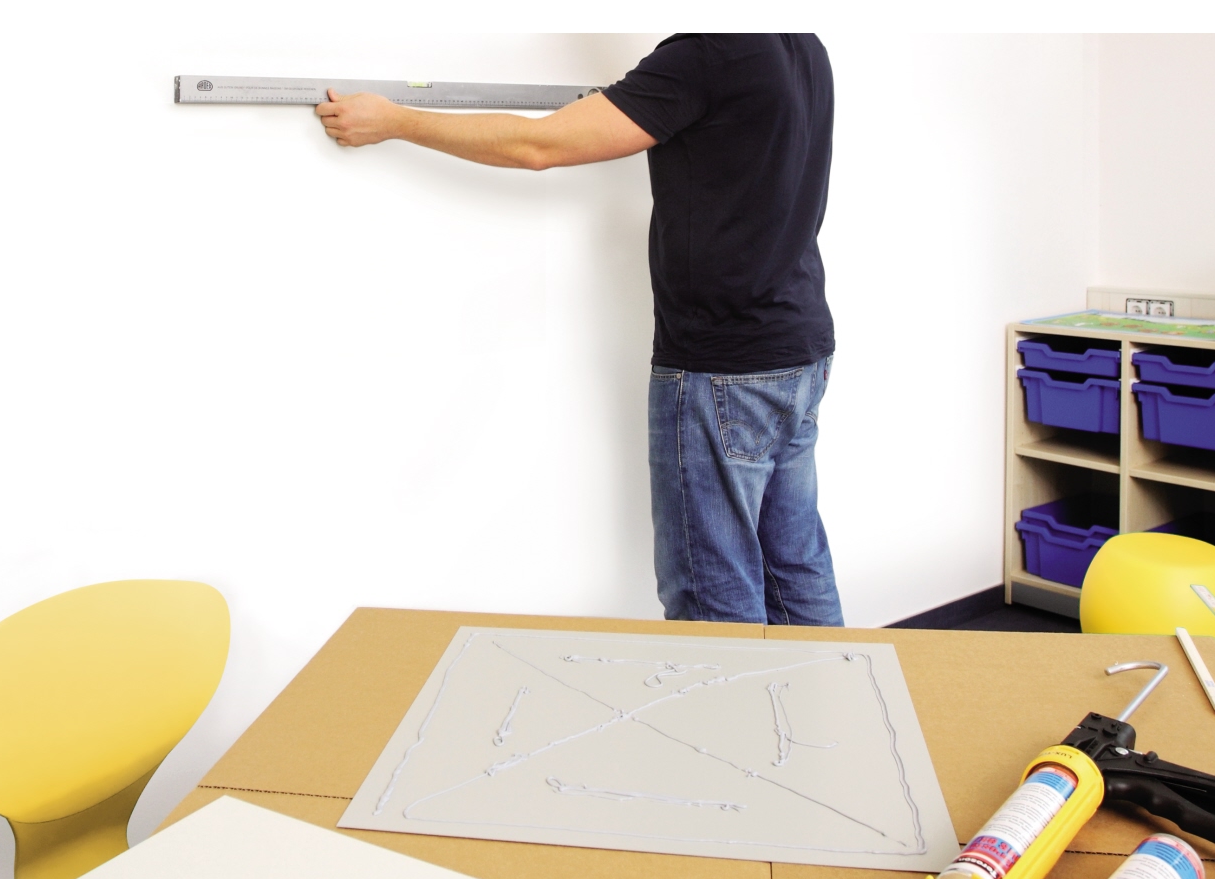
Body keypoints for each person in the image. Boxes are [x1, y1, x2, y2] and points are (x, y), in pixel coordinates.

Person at [316, 35, 842, 626]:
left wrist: (394, 121)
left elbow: (538, 145)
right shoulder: (801, 43)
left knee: (712, 597)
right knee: (794, 570)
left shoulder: (708, 53)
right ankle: (832, 689)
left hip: (725, 369)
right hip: (797, 351)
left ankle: (735, 693)